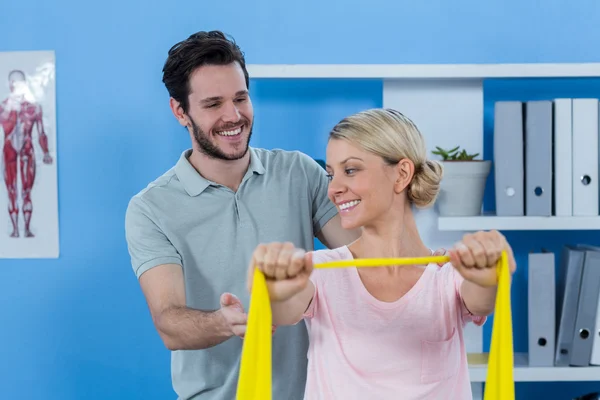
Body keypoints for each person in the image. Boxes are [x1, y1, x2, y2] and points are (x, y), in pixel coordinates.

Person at [124, 30, 365, 400]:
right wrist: (223, 322)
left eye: (240, 98)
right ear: (180, 111)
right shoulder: (151, 208)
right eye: (213, 104)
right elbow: (169, 322)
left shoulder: (299, 173)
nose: (233, 116)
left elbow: (363, 260)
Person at [247, 108, 517, 400]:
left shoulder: (447, 275)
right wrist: (274, 287)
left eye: (350, 170)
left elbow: (482, 299)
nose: (333, 189)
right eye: (331, 174)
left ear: (401, 174)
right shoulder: (322, 271)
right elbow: (285, 306)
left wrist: (489, 275)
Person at [0, 69, 53, 238]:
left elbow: (41, 132)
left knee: (26, 192)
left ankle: (27, 229)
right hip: (9, 150)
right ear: (10, 85)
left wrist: (46, 152)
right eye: (14, 83)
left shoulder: (34, 108)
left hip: (27, 149)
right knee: (11, 191)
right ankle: (15, 229)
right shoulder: (2, 107)